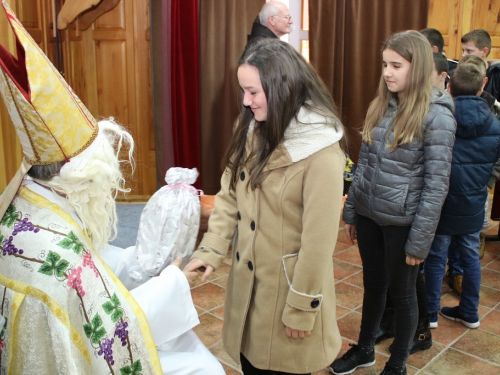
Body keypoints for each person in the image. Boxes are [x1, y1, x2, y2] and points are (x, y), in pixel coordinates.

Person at [0, 3, 224, 374]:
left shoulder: (27, 203)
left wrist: (136, 263)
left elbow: (94, 263)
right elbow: (114, 330)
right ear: (79, 179)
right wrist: (175, 283)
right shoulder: (60, 256)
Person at [185, 38, 346, 374]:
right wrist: (210, 248)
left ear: (282, 89)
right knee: (250, 364)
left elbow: (318, 244)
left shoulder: (323, 153)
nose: (246, 101)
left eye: (253, 92)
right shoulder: (251, 128)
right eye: (243, 91)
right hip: (250, 291)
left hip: (287, 294)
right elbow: (230, 193)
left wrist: (302, 308)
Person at [330, 30, 456, 375]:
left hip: (403, 223)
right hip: (371, 216)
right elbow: (365, 164)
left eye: (396, 65)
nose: (387, 72)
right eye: (385, 64)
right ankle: (365, 348)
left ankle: (397, 362)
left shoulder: (438, 116)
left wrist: (420, 240)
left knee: (403, 295)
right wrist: (353, 210)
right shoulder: (382, 104)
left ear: (417, 67)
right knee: (374, 286)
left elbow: (436, 187)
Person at [424, 62, 500, 330]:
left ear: (449, 87)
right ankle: (469, 312)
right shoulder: (495, 125)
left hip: (441, 202)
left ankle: (430, 314)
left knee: (435, 257)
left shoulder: (440, 118)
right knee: (470, 258)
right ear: (482, 89)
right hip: (473, 202)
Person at [461, 29, 500, 101]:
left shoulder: (497, 75)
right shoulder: (459, 72)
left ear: (484, 52)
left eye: (469, 51)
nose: (463, 55)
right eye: (463, 50)